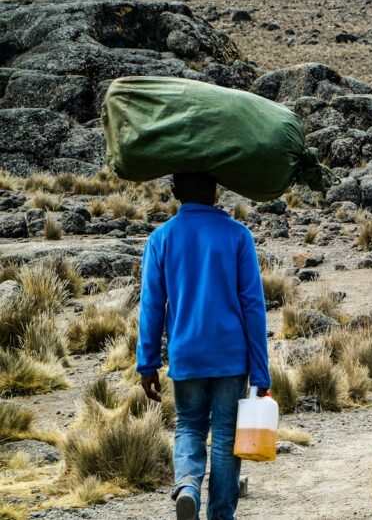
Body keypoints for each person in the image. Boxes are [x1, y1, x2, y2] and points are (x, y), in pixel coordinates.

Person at [138, 172, 270, 520]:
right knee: (227, 438)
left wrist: (147, 363)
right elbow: (253, 306)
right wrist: (261, 370)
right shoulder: (238, 236)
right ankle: (221, 515)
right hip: (231, 357)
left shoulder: (160, 238)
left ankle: (187, 486)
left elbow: (152, 305)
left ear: (176, 193)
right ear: (215, 192)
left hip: (187, 355)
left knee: (189, 427)